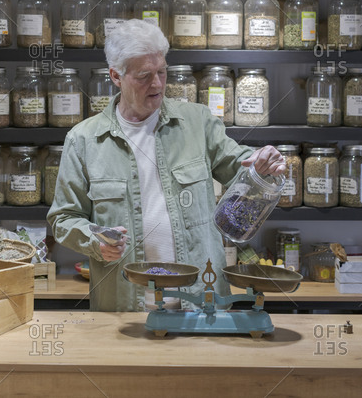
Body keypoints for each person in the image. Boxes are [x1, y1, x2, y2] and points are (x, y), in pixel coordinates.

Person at [47, 19, 285, 312]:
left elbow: (239, 164)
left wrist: (261, 162)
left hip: (202, 304)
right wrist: (96, 240)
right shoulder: (83, 140)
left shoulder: (198, 122)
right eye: (144, 75)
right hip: (124, 309)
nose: (157, 84)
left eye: (162, 71)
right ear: (116, 76)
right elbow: (64, 218)